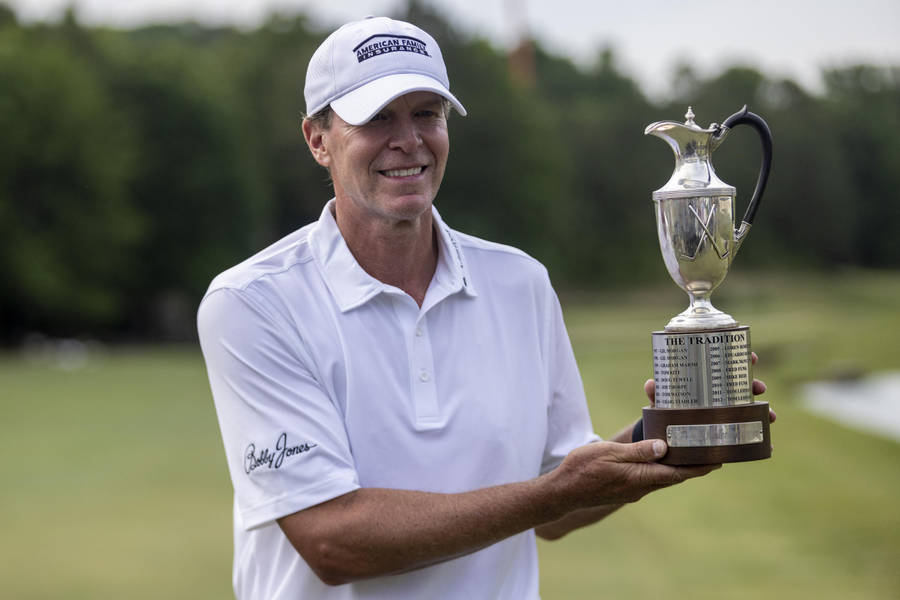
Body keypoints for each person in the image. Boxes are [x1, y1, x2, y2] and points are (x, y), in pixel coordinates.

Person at [197, 16, 770, 600]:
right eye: (377, 118)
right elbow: (333, 540)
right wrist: (559, 490)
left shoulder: (520, 282)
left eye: (427, 113)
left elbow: (555, 505)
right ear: (317, 140)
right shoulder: (252, 302)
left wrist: (665, 434)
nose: (409, 140)